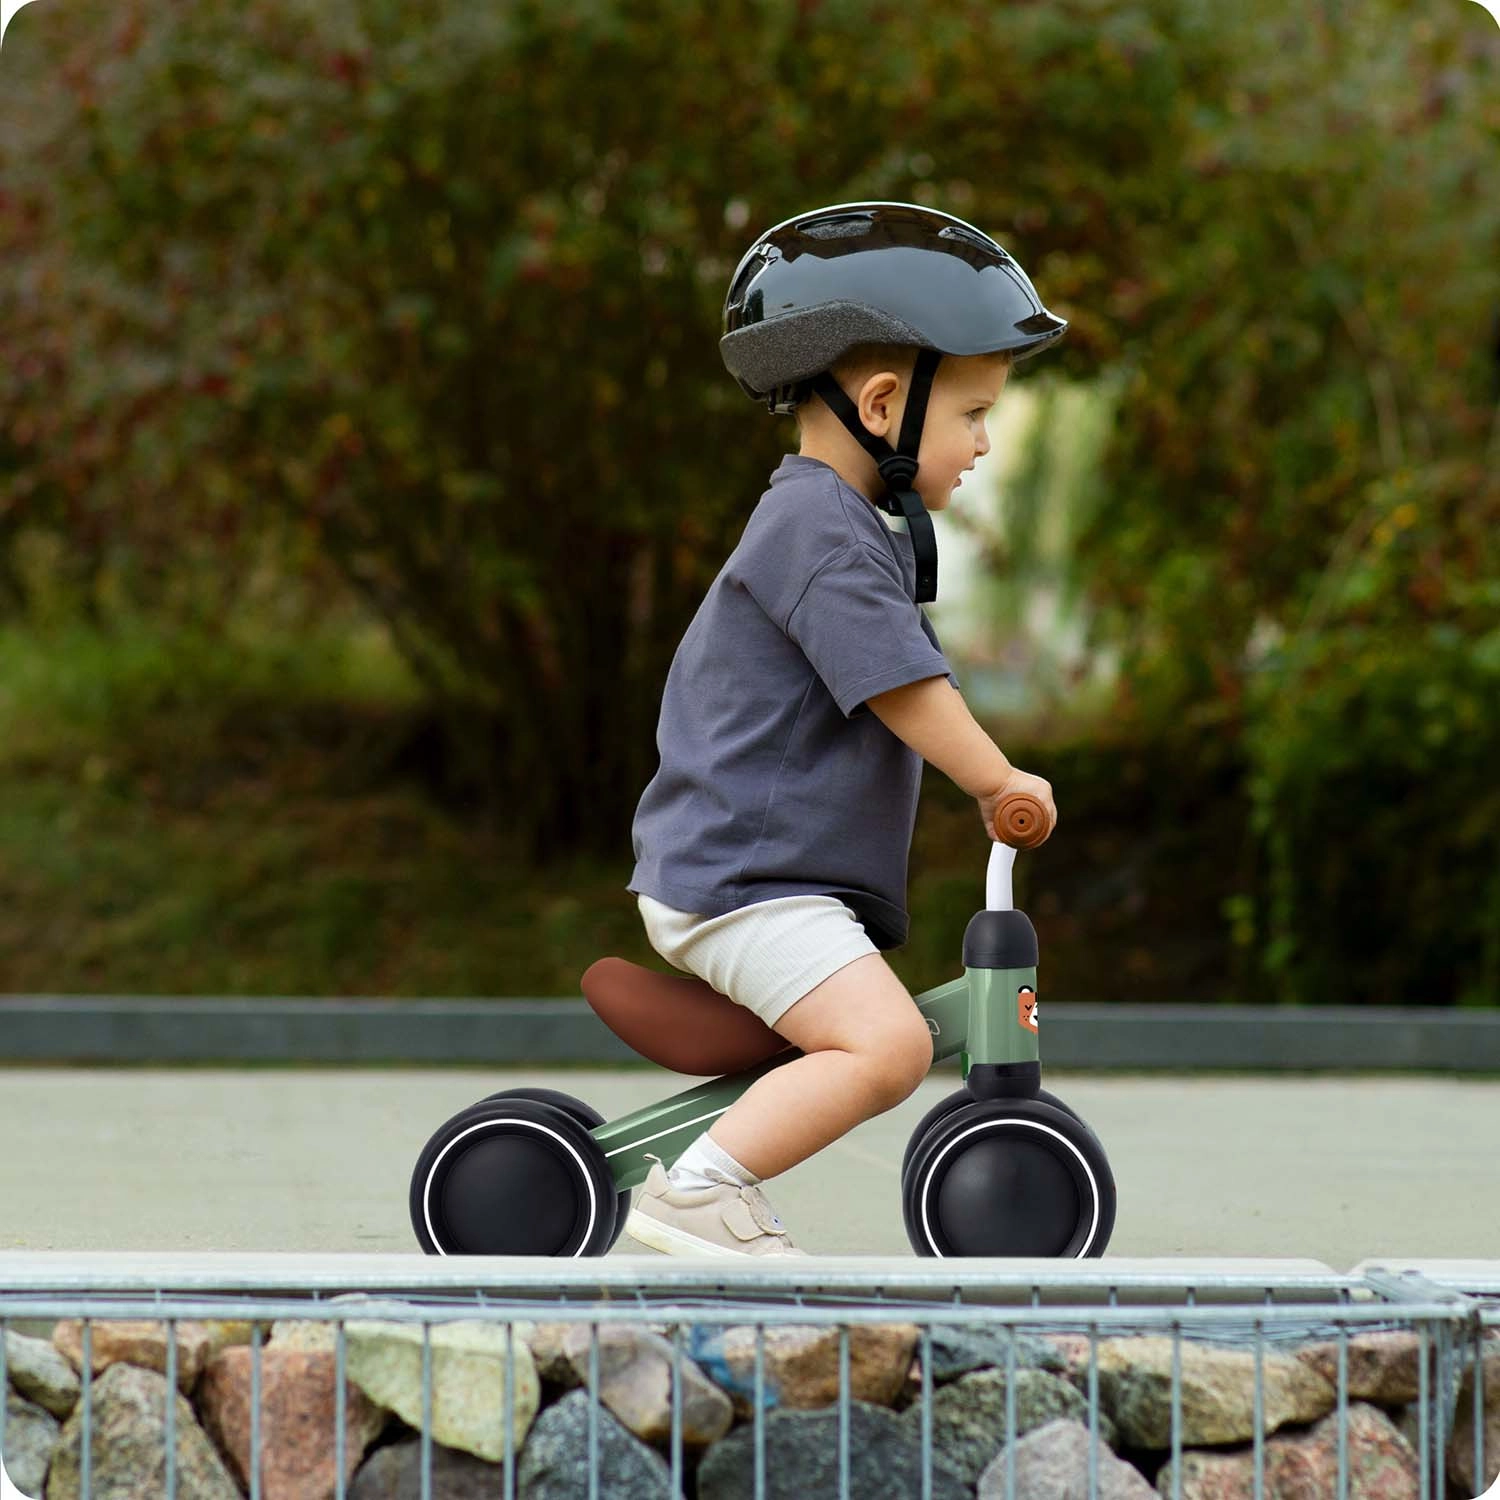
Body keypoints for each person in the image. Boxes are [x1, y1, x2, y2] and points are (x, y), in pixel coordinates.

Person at [623, 201, 1067, 1256]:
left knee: (882, 1039)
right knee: (889, 1047)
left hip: (754, 873)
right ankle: (699, 1192)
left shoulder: (834, 523)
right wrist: (996, 779)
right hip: (743, 880)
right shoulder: (819, 529)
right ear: (882, 405)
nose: (984, 441)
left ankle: (705, 1178)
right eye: (973, 412)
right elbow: (901, 686)